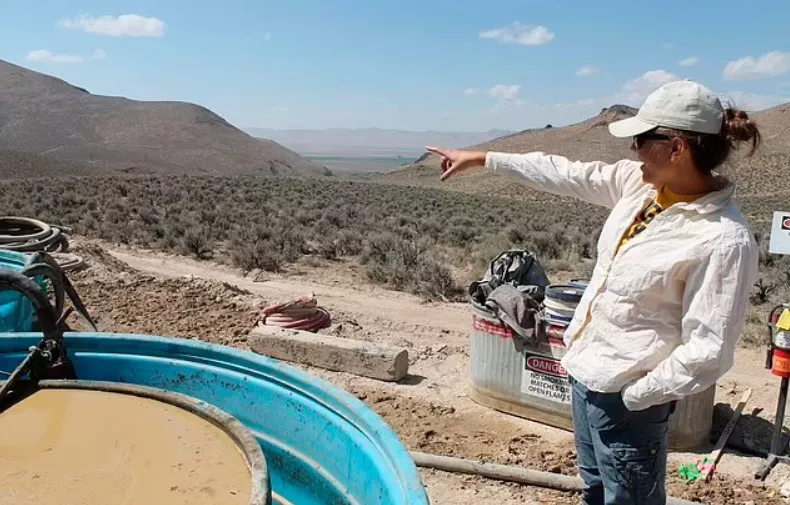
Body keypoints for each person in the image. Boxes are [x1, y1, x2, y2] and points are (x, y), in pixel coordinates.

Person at [426, 80, 761, 505]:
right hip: (585, 374)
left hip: (629, 400)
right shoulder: (641, 188)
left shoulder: (723, 239)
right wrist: (483, 159)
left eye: (642, 140)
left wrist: (636, 396)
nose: (633, 149)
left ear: (677, 147)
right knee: (596, 489)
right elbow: (565, 172)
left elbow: (709, 350)